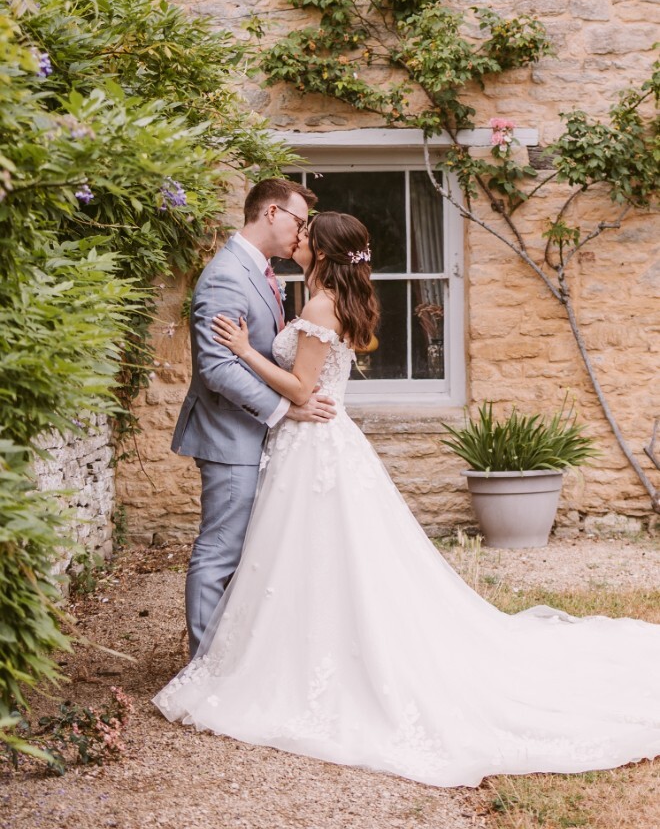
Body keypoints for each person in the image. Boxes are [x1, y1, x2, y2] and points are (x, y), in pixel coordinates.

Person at [154, 211, 660, 788]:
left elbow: (301, 388)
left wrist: (245, 349)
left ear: (320, 250)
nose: (295, 239)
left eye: (304, 234)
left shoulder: (321, 307)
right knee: (315, 554)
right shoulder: (323, 295)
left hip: (314, 440)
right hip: (313, 442)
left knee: (317, 549)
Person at [171, 177, 335, 658]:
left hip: (254, 433)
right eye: (299, 221)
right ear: (271, 213)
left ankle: (234, 656)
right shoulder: (226, 274)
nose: (302, 233)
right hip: (228, 433)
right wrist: (289, 409)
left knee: (248, 551)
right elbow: (217, 367)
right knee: (221, 549)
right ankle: (203, 665)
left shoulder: (260, 270)